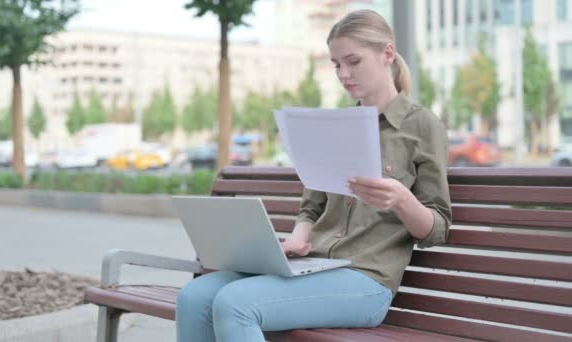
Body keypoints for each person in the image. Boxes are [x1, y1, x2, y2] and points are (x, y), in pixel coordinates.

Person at [176, 9, 451, 342]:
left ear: (387, 53)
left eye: (353, 61)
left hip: (367, 280)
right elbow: (312, 204)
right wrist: (298, 237)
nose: (343, 74)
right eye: (336, 64)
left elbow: (437, 229)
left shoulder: (422, 126)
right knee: (194, 297)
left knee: (235, 304)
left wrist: (402, 200)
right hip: (315, 266)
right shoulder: (338, 126)